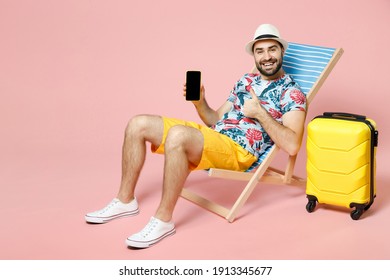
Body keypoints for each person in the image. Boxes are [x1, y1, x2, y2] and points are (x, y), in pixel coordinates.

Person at [85, 23, 307, 248]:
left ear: (281, 51)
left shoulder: (292, 93)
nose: (267, 56)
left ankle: (163, 220)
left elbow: (292, 145)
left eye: (272, 49)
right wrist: (200, 103)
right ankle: (125, 201)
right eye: (260, 51)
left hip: (239, 152)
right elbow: (215, 119)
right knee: (138, 124)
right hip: (216, 137)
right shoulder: (245, 81)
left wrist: (260, 113)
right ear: (254, 56)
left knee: (178, 136)